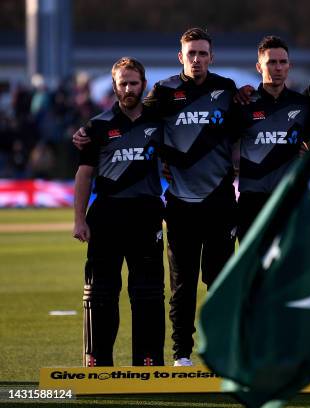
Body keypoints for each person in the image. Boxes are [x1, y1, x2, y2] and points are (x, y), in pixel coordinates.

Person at [74, 28, 239, 367]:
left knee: (219, 283)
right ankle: (179, 355)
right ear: (181, 57)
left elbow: (242, 131)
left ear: (211, 56)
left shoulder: (228, 90)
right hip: (174, 205)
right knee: (177, 286)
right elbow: (126, 123)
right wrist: (85, 131)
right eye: (190, 53)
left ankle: (220, 351)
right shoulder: (162, 94)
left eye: (202, 53)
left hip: (219, 202)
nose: (196, 59)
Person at [73, 57, 165, 367]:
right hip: (107, 216)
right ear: (114, 86)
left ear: (144, 84)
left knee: (148, 294)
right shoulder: (97, 126)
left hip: (147, 214)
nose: (128, 88)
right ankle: (97, 361)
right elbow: (84, 175)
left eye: (134, 83)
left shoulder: (159, 121)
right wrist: (79, 220)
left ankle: (149, 360)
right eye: (123, 83)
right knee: (100, 293)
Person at [234, 36, 310, 240]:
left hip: (288, 198)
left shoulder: (304, 104)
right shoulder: (243, 103)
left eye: (282, 62)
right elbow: (219, 143)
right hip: (252, 201)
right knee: (251, 268)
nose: (278, 68)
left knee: (288, 267)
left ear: (289, 66)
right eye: (271, 62)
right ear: (259, 67)